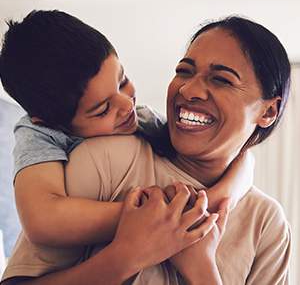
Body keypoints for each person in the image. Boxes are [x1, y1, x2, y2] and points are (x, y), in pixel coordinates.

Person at [1, 15, 291, 284]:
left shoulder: (268, 224)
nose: (189, 90)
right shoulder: (100, 157)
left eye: (222, 79)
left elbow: (243, 160)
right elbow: (42, 220)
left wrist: (201, 267)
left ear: (268, 111)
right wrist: (137, 243)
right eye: (184, 71)